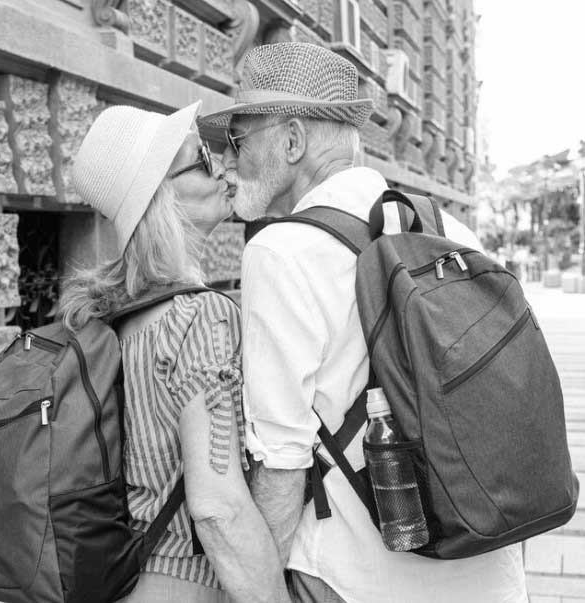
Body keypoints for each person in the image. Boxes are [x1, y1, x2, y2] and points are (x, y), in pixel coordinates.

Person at [201, 42, 528, 603]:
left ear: (292, 140)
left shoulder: (280, 250)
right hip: (489, 570)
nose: (231, 160)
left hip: (358, 579)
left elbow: (282, 463)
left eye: (240, 139)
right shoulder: (447, 227)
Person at [60, 102, 289, 603]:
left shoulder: (114, 318)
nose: (223, 166)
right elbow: (218, 508)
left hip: (125, 578)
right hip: (187, 585)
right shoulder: (200, 317)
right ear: (163, 196)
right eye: (202, 159)